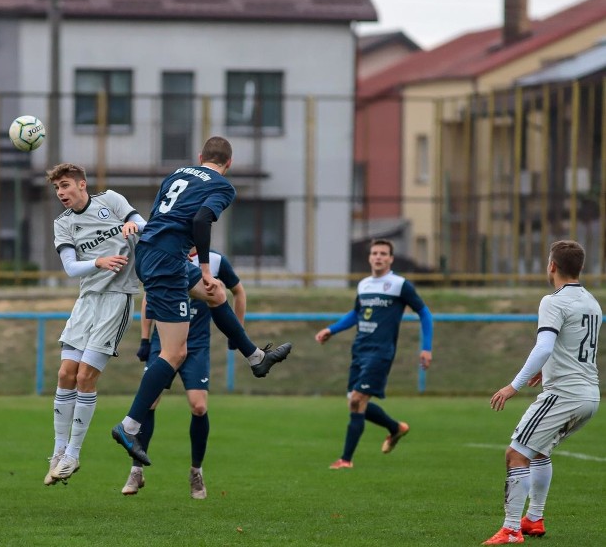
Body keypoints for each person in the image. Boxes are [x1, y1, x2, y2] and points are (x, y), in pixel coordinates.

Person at [111, 136, 292, 466]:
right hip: (167, 261)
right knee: (175, 352)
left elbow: (163, 216)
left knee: (216, 294)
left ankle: (255, 357)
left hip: (154, 252)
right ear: (229, 163)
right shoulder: (223, 185)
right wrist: (206, 267)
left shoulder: (178, 173)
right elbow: (199, 220)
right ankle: (128, 426)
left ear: (199, 157)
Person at [482, 240, 601, 545]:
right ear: (580, 268)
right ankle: (533, 519)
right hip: (589, 396)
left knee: (516, 453)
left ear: (552, 266)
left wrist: (514, 385)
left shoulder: (553, 301)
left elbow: (544, 346)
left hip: (564, 394)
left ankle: (510, 530)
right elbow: (570, 346)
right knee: (538, 451)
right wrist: (543, 369)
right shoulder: (591, 302)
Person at [43, 163, 146, 485]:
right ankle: (58, 452)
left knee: (86, 376)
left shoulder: (110, 201)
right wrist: (99, 261)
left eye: (65, 185)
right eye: (57, 188)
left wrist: (133, 226)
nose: (61, 193)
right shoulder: (63, 224)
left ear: (82, 184)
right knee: (65, 374)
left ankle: (73, 453)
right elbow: (71, 269)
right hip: (86, 302)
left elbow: (142, 222)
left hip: (116, 299)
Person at [122, 249, 245, 499]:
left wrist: (237, 331)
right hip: (165, 341)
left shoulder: (216, 261)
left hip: (197, 344)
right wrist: (145, 339)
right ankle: (136, 470)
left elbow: (238, 292)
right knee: (150, 403)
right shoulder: (168, 252)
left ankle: (196, 472)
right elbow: (149, 298)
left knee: (199, 407)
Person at [315, 238, 433, 470]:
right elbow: (357, 314)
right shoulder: (364, 285)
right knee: (353, 401)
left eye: (383, 253)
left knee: (357, 400)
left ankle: (346, 460)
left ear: (390, 258)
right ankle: (395, 428)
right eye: (375, 253)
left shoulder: (399, 285)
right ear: (370, 257)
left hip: (381, 352)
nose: (378, 257)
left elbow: (425, 313)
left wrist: (426, 347)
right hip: (360, 349)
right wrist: (332, 329)